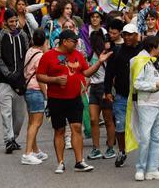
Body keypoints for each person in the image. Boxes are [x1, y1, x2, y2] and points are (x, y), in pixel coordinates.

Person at [36, 29, 112, 174]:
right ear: (64, 41)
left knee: (76, 128)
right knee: (59, 130)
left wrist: (99, 63)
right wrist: (55, 80)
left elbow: (86, 72)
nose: (77, 44)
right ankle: (60, 162)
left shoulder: (77, 55)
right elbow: (40, 76)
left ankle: (79, 161)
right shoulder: (48, 56)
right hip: (56, 99)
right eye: (74, 41)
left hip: (75, 98)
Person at [128, 35, 159, 181]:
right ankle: (140, 168)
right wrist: (153, 86)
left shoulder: (155, 62)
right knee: (145, 138)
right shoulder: (140, 61)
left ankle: (152, 169)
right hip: (146, 104)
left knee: (156, 138)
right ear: (153, 47)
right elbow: (137, 84)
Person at [103, 22, 141, 168]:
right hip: (121, 96)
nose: (127, 37)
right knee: (120, 126)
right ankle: (122, 151)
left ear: (136, 35)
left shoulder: (143, 50)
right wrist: (107, 91)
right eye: (125, 34)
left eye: (131, 34)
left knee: (142, 126)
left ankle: (143, 154)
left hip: (140, 97)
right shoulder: (116, 51)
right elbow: (109, 73)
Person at [0, 8, 30, 154]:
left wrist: (21, 75)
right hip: (5, 82)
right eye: (11, 21)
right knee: (6, 113)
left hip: (21, 82)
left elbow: (27, 55)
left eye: (15, 20)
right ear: (5, 22)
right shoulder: (0, 37)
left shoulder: (23, 35)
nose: (14, 24)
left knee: (20, 116)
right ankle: (8, 140)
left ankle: (13, 138)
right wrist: (9, 75)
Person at [86, 30, 117, 161]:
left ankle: (110, 147)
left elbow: (112, 74)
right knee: (93, 119)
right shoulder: (92, 53)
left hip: (105, 87)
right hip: (93, 87)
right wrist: (87, 84)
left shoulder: (107, 54)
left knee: (108, 119)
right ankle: (96, 148)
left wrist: (109, 90)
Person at [21, 29, 50, 165]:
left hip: (28, 90)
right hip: (36, 91)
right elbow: (41, 78)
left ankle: (35, 150)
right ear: (44, 41)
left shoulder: (30, 51)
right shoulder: (40, 56)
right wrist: (46, 94)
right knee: (36, 123)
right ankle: (27, 154)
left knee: (32, 122)